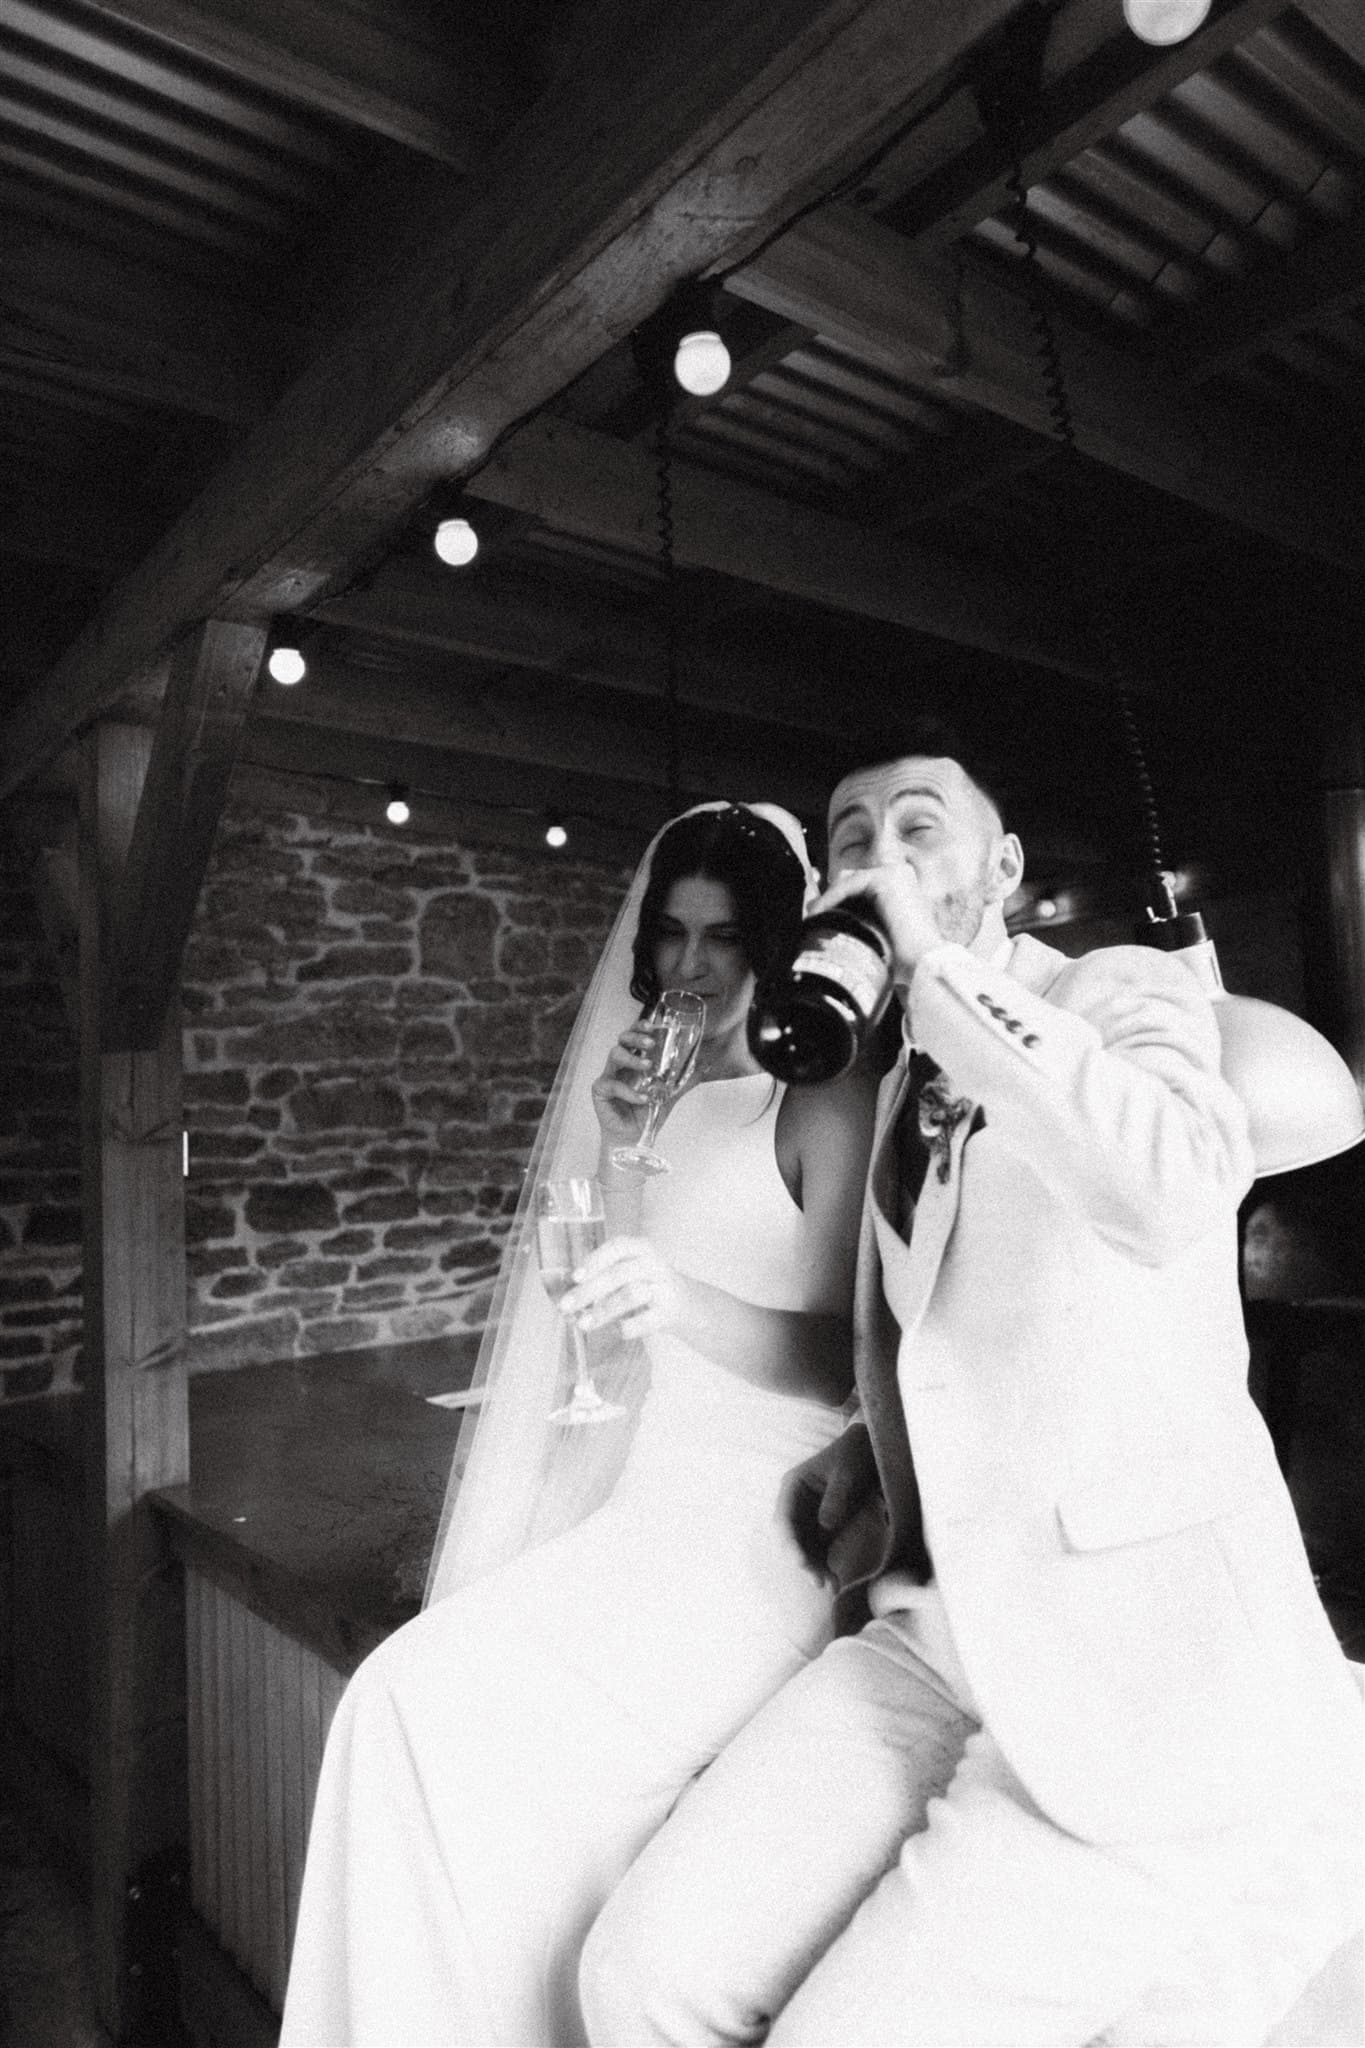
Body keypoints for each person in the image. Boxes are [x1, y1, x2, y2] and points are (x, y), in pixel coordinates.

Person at [579, 732, 1365, 2048]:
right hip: (940, 1634)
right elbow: (918, 1327)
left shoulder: (1115, 991)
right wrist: (875, 1460)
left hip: (1137, 1667)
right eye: (848, 836)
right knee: (641, 1980)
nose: (876, 851)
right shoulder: (891, 1083)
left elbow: (1167, 1188)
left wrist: (936, 975)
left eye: (917, 826)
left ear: (998, 867)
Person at [278, 801, 877, 2048]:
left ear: (776, 943)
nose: (689, 967)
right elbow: (603, 1314)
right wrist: (614, 1147)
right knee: (397, 1700)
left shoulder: (818, 1094)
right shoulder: (651, 1090)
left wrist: (679, 1292)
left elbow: (840, 1363)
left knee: (453, 1726)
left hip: (761, 1530)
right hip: (648, 1499)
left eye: (722, 936)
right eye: (669, 935)